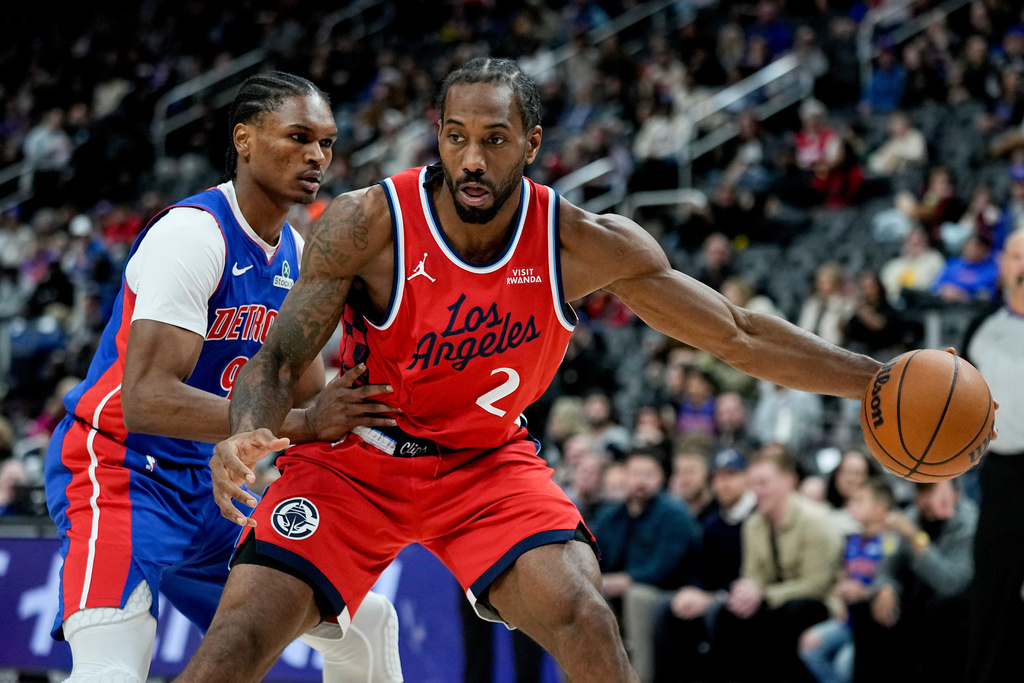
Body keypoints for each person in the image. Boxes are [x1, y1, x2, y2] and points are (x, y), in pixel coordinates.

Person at [175, 58, 884, 683]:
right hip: (357, 460)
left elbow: (737, 332)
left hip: (485, 466)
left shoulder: (578, 242)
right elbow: (278, 359)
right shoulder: (370, 222)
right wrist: (245, 432)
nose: (471, 160)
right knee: (236, 641)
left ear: (532, 144)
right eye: (456, 137)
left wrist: (874, 381)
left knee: (587, 617)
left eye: (494, 139)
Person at [43, 72, 404, 683]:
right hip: (123, 469)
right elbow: (146, 399)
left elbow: (310, 397)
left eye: (327, 143)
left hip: (215, 486)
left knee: (364, 621)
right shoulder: (193, 233)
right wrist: (303, 424)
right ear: (244, 139)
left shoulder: (295, 253)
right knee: (110, 667)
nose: (317, 156)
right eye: (298, 137)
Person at [709, 448, 841, 683]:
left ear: (788, 481)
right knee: (726, 613)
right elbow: (752, 575)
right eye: (752, 484)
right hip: (773, 602)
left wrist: (764, 594)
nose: (756, 491)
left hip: (818, 603)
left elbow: (817, 584)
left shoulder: (815, 521)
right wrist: (746, 590)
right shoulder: (753, 524)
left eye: (763, 483)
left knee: (792, 612)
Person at [964, 227, 1024, 683]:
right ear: (1002, 265)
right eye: (1016, 255)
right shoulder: (981, 330)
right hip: (1003, 473)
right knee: (993, 590)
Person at [850, 480, 976, 683]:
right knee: (866, 609)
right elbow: (886, 568)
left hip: (951, 609)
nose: (924, 498)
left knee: (939, 611)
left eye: (930, 489)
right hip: (913, 603)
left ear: (954, 492)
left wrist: (916, 538)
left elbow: (950, 584)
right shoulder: (911, 515)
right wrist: (886, 590)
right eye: (920, 490)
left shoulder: (968, 522)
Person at [653, 448, 757, 683]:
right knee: (667, 606)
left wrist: (712, 596)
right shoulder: (713, 524)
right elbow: (701, 568)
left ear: (746, 477)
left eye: (731, 476)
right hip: (714, 593)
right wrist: (693, 590)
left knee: (717, 611)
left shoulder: (757, 519)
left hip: (743, 596)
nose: (723, 484)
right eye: (718, 478)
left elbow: (752, 573)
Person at [798, 477, 897, 683]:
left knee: (844, 665)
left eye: (860, 501)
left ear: (880, 508)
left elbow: (896, 584)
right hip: (848, 620)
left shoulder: (891, 541)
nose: (852, 506)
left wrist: (866, 592)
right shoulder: (852, 540)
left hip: (874, 625)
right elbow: (842, 576)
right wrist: (841, 590)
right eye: (852, 501)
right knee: (808, 645)